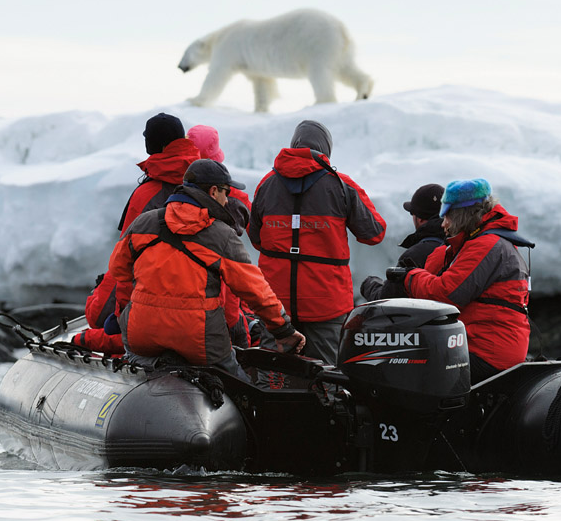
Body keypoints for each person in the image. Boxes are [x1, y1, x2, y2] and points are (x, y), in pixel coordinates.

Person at [109, 159, 306, 377]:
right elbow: (255, 289)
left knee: (136, 365)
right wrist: (283, 330)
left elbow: (118, 270)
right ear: (213, 192)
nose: (227, 199)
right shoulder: (221, 235)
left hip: (142, 335)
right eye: (226, 192)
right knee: (238, 384)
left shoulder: (144, 223)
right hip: (198, 341)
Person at [249, 119, 386, 364]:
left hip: (276, 306)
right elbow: (374, 233)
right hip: (326, 304)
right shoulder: (342, 185)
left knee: (272, 378)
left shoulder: (266, 184)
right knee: (327, 382)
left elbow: (256, 238)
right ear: (325, 150)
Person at [73, 113, 201, 355]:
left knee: (98, 317)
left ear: (155, 145)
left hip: (149, 301)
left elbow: (126, 260)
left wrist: (121, 316)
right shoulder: (207, 186)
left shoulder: (146, 195)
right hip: (201, 309)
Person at [388, 178, 531, 383]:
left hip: (486, 351)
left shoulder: (486, 245)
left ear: (461, 216)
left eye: (447, 216)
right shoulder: (479, 243)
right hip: (483, 344)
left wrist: (409, 276)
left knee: (401, 367)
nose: (443, 224)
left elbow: (445, 294)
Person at [187, 124, 256, 347]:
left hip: (185, 291)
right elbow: (258, 231)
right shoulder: (237, 198)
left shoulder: (174, 191)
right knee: (235, 342)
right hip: (226, 290)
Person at [360, 183, 446, 302]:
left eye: (412, 213)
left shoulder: (414, 256)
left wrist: (369, 284)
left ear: (420, 218)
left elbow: (387, 301)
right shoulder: (459, 246)